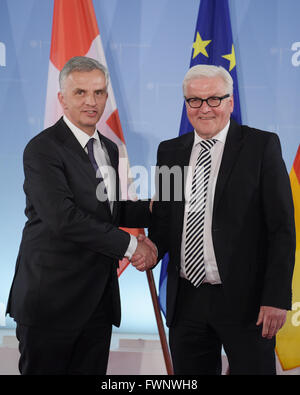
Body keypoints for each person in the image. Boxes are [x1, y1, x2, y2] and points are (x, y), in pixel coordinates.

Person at [6, 56, 156, 375]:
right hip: (51, 304)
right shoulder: (42, 149)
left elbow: (108, 209)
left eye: (99, 92)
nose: (92, 101)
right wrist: (132, 246)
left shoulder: (109, 150)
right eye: (80, 93)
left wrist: (156, 208)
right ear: (62, 99)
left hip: (97, 302)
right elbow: (64, 218)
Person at [144, 65, 296, 375]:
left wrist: (276, 297)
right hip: (187, 301)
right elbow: (165, 220)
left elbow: (282, 229)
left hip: (248, 303)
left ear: (230, 102)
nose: (204, 109)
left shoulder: (261, 147)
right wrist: (149, 248)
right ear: (186, 104)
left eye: (214, 99)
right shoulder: (170, 152)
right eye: (194, 101)